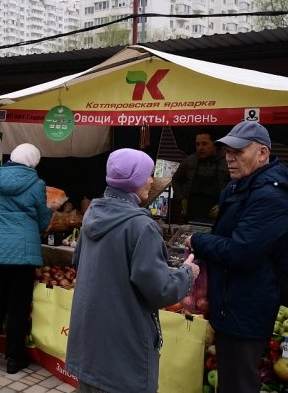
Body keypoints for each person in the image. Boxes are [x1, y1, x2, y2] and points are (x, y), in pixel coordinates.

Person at [66, 148, 199, 393]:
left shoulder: (92, 215)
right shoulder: (141, 226)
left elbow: (78, 264)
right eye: (147, 175)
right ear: (134, 181)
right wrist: (187, 272)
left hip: (90, 346)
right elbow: (160, 290)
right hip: (123, 351)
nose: (151, 180)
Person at [185, 121, 288, 392]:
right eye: (227, 151)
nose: (229, 157)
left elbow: (241, 251)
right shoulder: (239, 188)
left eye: (238, 152)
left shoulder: (271, 197)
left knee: (238, 383)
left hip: (246, 306)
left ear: (262, 153)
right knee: (230, 379)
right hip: (230, 302)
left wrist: (199, 240)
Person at [0, 143, 53, 374]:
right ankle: (14, 359)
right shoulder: (37, 184)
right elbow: (41, 221)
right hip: (23, 254)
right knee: (18, 307)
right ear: (33, 162)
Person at [171, 128, 230, 223]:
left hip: (219, 218)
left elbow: (238, 187)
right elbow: (176, 180)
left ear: (215, 145)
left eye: (204, 144)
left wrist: (224, 204)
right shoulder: (190, 161)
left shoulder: (228, 161)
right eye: (197, 144)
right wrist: (182, 199)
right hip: (192, 216)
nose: (200, 148)